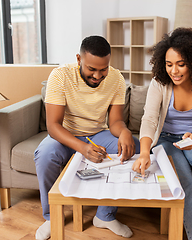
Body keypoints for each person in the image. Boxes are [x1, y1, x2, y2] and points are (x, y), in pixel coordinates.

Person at [34, 35, 140, 240]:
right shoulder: (60, 76)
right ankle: (51, 217)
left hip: (97, 134)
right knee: (45, 154)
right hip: (64, 135)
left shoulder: (116, 78)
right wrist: (82, 149)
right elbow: (53, 126)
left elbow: (115, 122)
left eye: (103, 69)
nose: (98, 76)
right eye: (92, 69)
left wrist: (125, 132)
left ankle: (104, 216)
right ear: (79, 59)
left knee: (130, 146)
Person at [132, 27, 192, 239]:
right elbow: (149, 120)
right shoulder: (159, 83)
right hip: (166, 140)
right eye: (169, 64)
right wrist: (144, 152)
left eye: (181, 64)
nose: (174, 71)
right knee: (186, 186)